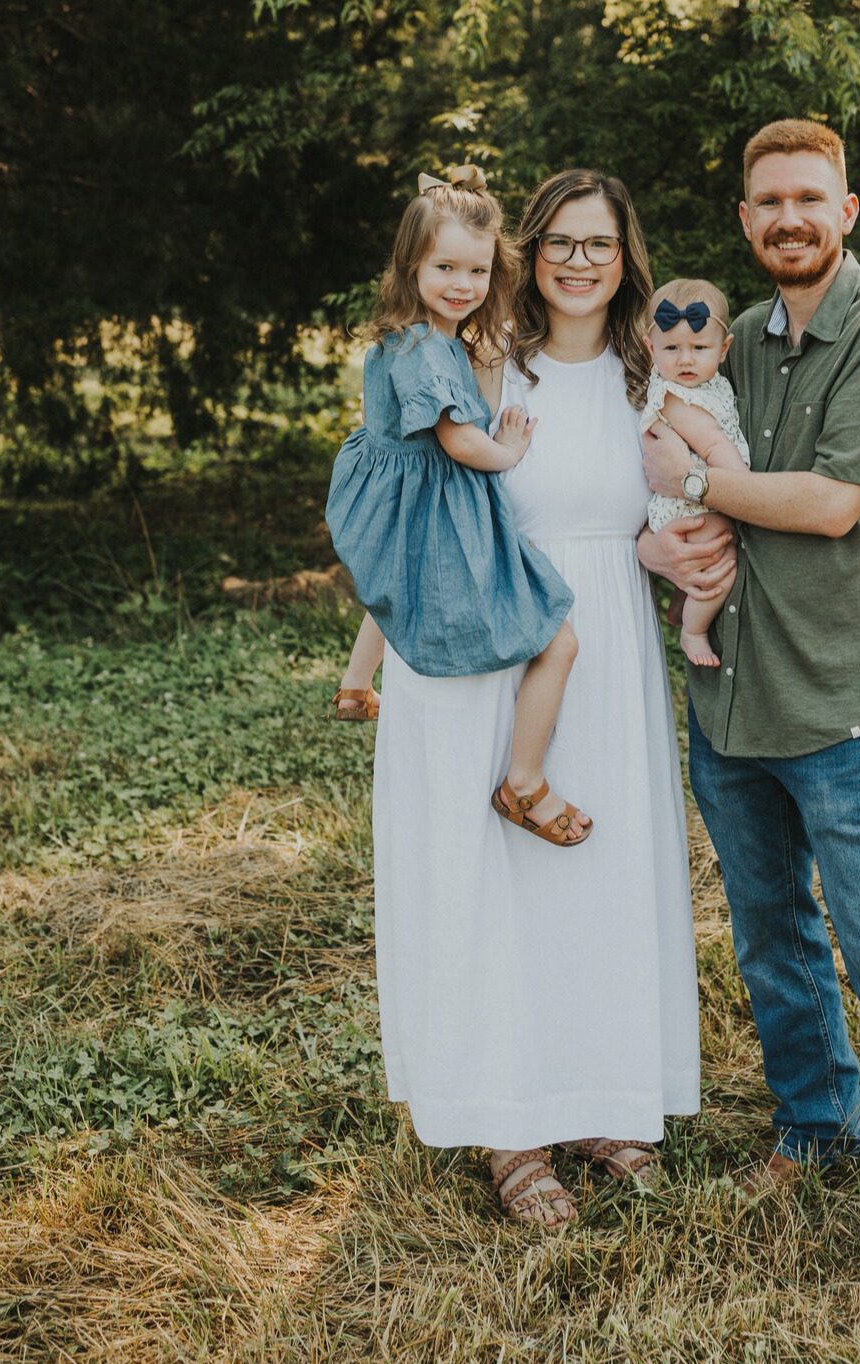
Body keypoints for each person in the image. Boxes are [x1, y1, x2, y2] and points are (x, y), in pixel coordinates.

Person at [639, 119, 860, 1320]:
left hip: (836, 708)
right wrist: (655, 531)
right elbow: (654, 454)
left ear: (846, 210)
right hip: (728, 693)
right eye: (768, 201)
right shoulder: (725, 338)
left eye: (809, 198)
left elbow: (832, 504)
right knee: (770, 932)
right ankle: (815, 1123)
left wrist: (685, 482)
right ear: (745, 221)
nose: (788, 217)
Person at [368, 166, 701, 1227]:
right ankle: (510, 1121)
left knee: (602, 875)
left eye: (598, 244)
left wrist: (688, 559)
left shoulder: (656, 372)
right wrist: (370, 651)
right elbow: (408, 496)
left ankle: (602, 1097)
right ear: (530, 251)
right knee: (497, 885)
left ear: (625, 258)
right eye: (559, 240)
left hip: (606, 642)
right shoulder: (479, 364)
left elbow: (671, 509)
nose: (577, 260)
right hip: (489, 635)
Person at [326, 167, 590, 846]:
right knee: (557, 639)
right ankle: (524, 781)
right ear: (410, 264)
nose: (462, 285)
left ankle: (356, 684)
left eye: (476, 271)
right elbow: (456, 439)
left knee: (394, 583)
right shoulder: (431, 350)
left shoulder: (407, 337)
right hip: (439, 506)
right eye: (445, 266)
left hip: (400, 500)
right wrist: (506, 451)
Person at [639, 279, 750, 667]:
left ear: (723, 350)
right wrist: (747, 493)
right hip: (688, 507)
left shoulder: (709, 385)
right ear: (650, 348)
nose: (685, 360)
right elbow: (713, 446)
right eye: (672, 348)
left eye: (699, 349)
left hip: (696, 493)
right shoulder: (676, 395)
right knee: (723, 562)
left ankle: (681, 604)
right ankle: (694, 630)